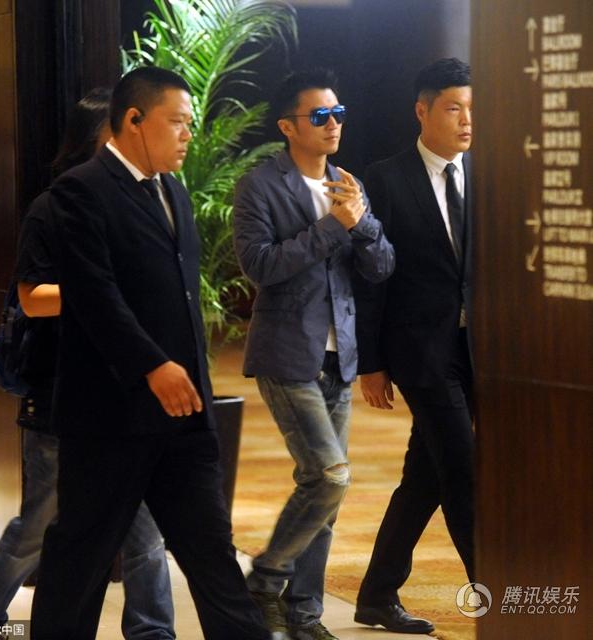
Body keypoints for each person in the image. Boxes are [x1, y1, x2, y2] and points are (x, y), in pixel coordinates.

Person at [29, 66, 270, 640]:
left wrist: (193, 384)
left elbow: (181, 300)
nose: (188, 134)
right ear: (134, 120)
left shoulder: (173, 190)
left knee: (212, 553)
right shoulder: (80, 191)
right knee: (81, 558)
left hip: (183, 416)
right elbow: (95, 297)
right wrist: (151, 366)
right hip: (111, 417)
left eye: (190, 123)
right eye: (178, 122)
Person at [0, 88, 176, 640]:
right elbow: (33, 299)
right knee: (40, 521)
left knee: (145, 528)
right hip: (60, 391)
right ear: (98, 138)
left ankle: (153, 631)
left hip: (128, 391)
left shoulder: (150, 201)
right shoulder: (53, 207)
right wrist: (107, 292)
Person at [233, 69, 395, 640]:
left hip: (339, 357)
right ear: (288, 126)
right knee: (329, 476)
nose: (333, 125)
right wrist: (333, 226)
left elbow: (381, 267)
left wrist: (362, 222)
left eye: (338, 113)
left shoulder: (348, 185)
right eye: (320, 116)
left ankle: (304, 616)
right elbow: (260, 266)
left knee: (325, 496)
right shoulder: (259, 186)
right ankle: (265, 579)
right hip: (286, 354)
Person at [353, 58, 474, 634]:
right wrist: (372, 362)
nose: (466, 120)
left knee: (425, 477)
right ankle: (502, 600)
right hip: (421, 353)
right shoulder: (385, 178)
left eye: (472, 109)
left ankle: (376, 594)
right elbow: (371, 276)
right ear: (422, 111)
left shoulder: (486, 174)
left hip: (478, 350)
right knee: (464, 472)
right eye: (454, 108)